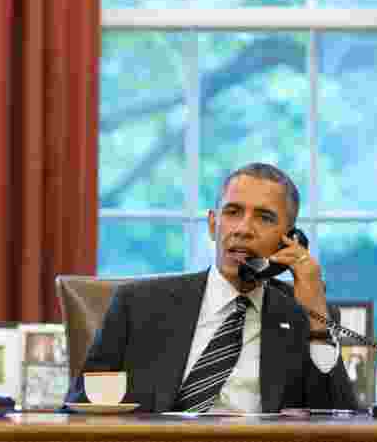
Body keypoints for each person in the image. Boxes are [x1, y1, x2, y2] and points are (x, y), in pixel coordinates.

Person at [65, 162, 357, 412]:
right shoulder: (138, 305)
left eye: (264, 217)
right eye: (232, 212)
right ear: (212, 224)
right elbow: (78, 410)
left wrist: (316, 321)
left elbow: (340, 423)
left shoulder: (302, 317)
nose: (243, 229)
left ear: (290, 238)